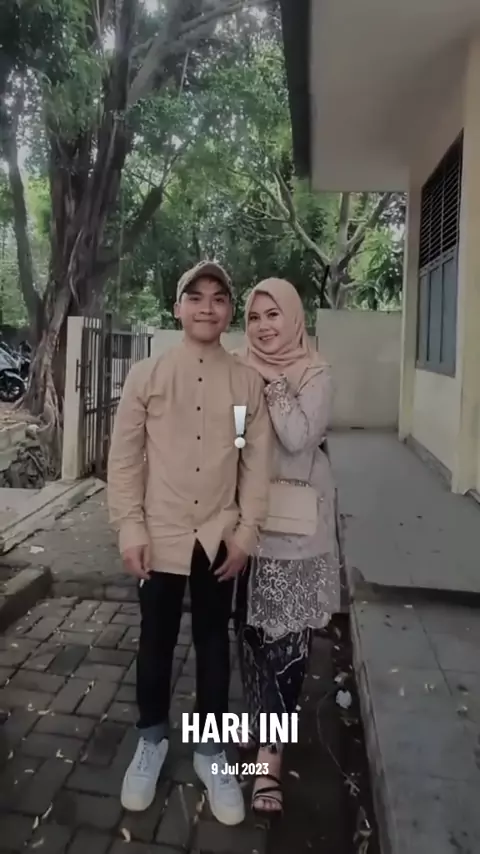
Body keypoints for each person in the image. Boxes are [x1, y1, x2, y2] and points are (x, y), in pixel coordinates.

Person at [107, 261, 272, 825]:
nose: (207, 307)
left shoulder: (246, 384)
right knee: (155, 640)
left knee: (213, 643)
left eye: (218, 298)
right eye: (195, 297)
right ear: (177, 308)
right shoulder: (147, 376)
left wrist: (246, 533)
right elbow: (125, 460)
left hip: (218, 536)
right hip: (160, 533)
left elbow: (253, 461)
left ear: (229, 311)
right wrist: (130, 527)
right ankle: (151, 740)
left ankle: (210, 750)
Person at [234, 277, 341, 815]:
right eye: (254, 317)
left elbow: (299, 437)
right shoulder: (238, 366)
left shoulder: (314, 373)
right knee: (252, 635)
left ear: (294, 317)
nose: (263, 327)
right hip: (245, 524)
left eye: (273, 314)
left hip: (294, 532)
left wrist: (272, 383)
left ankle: (270, 760)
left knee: (287, 647)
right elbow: (230, 436)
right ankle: (258, 728)